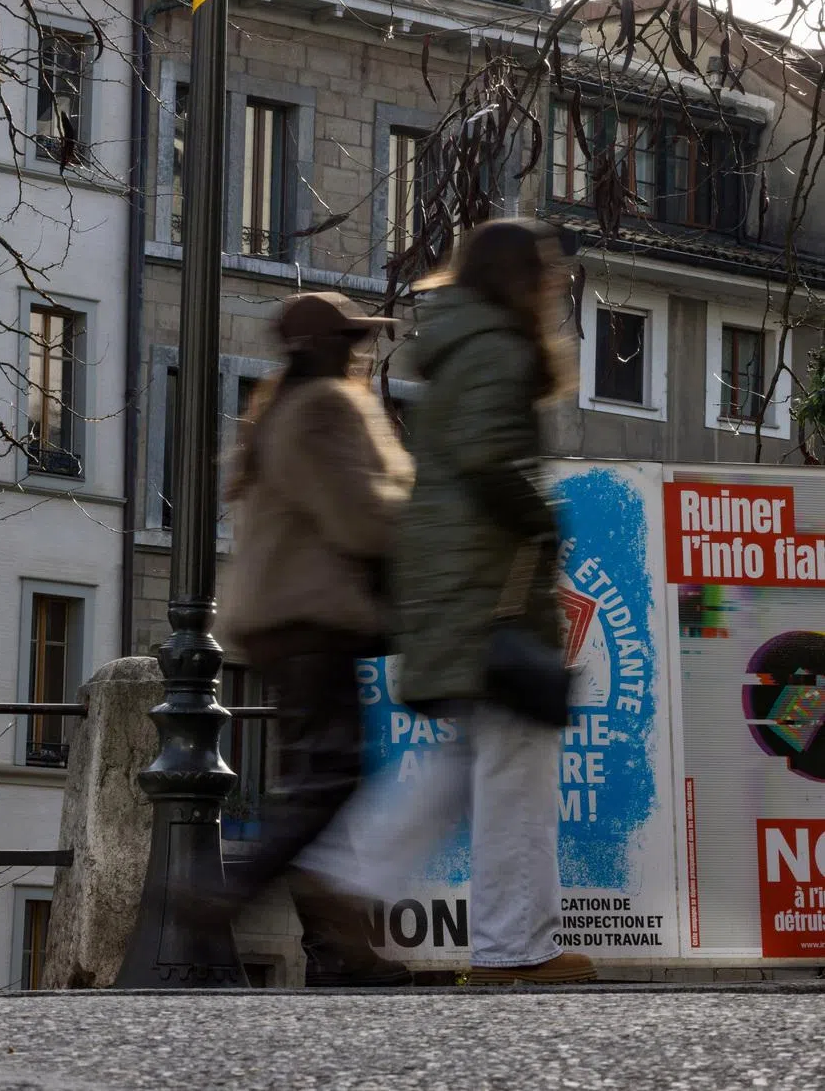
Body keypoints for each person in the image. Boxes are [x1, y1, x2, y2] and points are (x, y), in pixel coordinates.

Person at [296, 219, 596, 985]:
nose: (556, 283)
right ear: (517, 278)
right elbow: (489, 457)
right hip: (485, 587)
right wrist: (544, 518)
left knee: (474, 762)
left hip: (454, 584)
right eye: (547, 271)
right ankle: (510, 948)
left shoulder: (462, 347)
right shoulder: (498, 348)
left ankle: (352, 875)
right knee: (511, 763)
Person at [213, 291, 416, 987]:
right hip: (312, 620)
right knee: (329, 778)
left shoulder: (275, 414)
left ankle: (343, 951)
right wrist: (423, 514)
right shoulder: (327, 407)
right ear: (320, 347)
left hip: (279, 623)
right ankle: (226, 896)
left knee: (318, 779)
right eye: (349, 338)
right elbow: (360, 518)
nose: (359, 349)